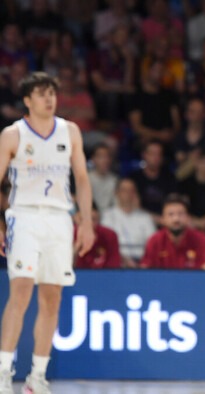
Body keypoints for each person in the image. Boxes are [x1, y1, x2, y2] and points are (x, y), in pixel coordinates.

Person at [0, 71, 95, 393]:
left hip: (59, 218)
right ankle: (3, 371)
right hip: (24, 215)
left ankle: (36, 377)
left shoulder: (70, 131)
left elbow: (81, 179)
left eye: (52, 92)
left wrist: (87, 222)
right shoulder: (12, 135)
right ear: (27, 100)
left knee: (52, 298)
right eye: (41, 93)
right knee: (22, 290)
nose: (49, 98)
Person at [140, 193, 205, 270]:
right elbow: (144, 271)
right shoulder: (154, 241)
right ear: (163, 220)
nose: (176, 219)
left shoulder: (201, 240)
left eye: (180, 214)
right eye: (171, 214)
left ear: (188, 218)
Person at [73, 203, 121, 269]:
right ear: (75, 218)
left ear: (98, 218)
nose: (90, 224)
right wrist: (77, 247)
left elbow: (114, 267)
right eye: (83, 219)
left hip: (103, 277)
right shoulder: (70, 233)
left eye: (94, 219)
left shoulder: (109, 235)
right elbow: (64, 268)